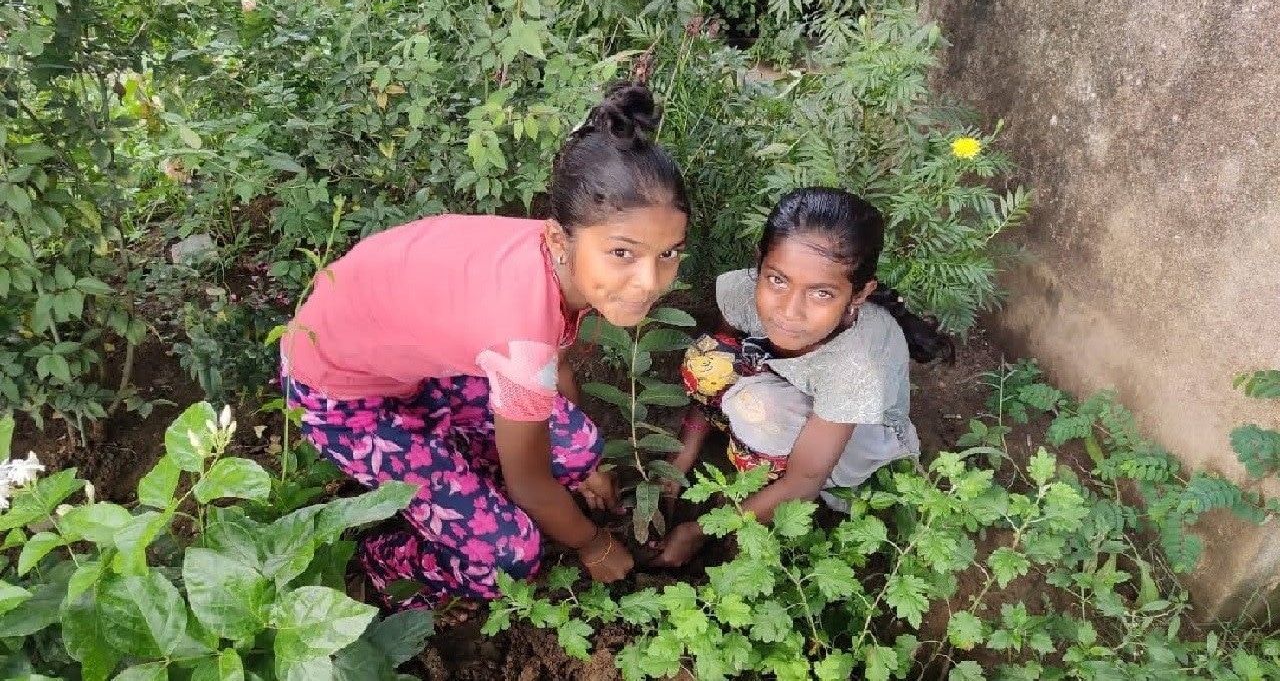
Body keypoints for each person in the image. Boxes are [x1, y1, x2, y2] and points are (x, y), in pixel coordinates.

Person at [281, 81, 688, 614]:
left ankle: (459, 470)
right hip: (338, 394)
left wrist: (583, 465)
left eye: (669, 252)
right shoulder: (520, 339)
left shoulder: (561, 257)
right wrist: (592, 544)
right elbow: (529, 478)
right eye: (623, 253)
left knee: (581, 445)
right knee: (511, 554)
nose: (649, 281)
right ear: (559, 240)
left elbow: (556, 359)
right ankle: (389, 562)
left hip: (411, 363)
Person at [653, 187, 951, 566]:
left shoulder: (856, 366)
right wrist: (676, 469)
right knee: (707, 359)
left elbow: (805, 481)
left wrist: (701, 531)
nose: (789, 311)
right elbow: (721, 364)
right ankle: (748, 447)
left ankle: (750, 494)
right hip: (786, 396)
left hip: (847, 447)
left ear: (859, 294)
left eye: (822, 293)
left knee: (757, 406)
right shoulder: (747, 295)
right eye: (778, 280)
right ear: (760, 264)